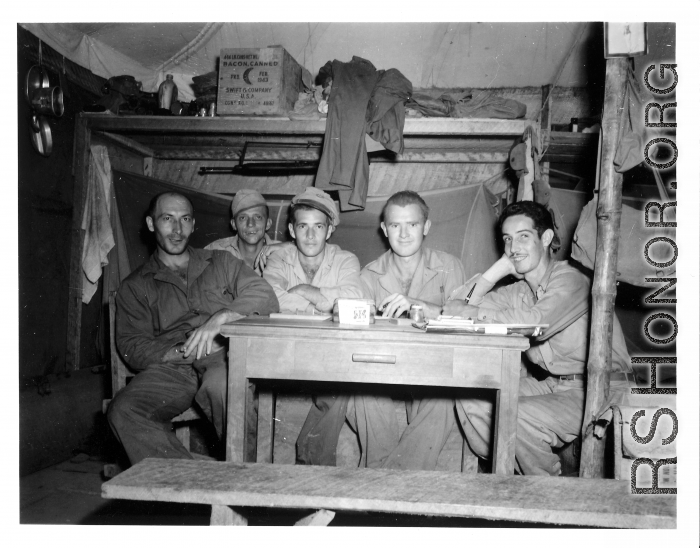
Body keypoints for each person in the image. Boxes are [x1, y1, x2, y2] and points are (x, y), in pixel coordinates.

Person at [443, 200, 634, 476]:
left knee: (514, 417)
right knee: (472, 397)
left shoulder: (572, 279)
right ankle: (515, 471)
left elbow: (536, 324)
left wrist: (473, 312)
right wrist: (496, 271)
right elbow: (453, 308)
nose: (513, 248)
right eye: (507, 239)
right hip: (553, 386)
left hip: (601, 389)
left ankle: (546, 491)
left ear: (545, 238)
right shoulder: (518, 291)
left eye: (523, 237)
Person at [108, 192, 279, 465]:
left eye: (185, 219)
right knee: (124, 410)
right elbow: (132, 347)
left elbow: (263, 293)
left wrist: (222, 317)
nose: (177, 230)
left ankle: (246, 480)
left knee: (228, 388)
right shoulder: (136, 285)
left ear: (193, 224)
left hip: (222, 356)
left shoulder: (220, 261)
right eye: (168, 219)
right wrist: (186, 350)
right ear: (152, 224)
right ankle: (190, 484)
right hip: (173, 368)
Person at [349, 190, 466, 469]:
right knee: (363, 395)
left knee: (445, 400)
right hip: (382, 368)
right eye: (395, 225)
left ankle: (384, 482)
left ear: (425, 227)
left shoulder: (449, 267)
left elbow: (465, 320)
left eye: (412, 224)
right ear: (384, 229)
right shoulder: (369, 275)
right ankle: (396, 485)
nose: (403, 234)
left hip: (433, 370)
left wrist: (417, 305)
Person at [262, 187, 365, 465]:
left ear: (329, 230)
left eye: (318, 227)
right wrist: (323, 305)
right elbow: (268, 296)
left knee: (341, 378)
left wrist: (305, 289)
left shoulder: (345, 259)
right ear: (292, 231)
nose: (310, 236)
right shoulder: (279, 257)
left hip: (330, 351)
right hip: (285, 348)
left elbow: (355, 299)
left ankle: (312, 464)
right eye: (303, 226)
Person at [205, 189, 280, 276]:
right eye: (243, 218)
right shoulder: (214, 250)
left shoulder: (283, 252)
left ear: (268, 223)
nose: (250, 224)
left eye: (258, 217)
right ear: (234, 224)